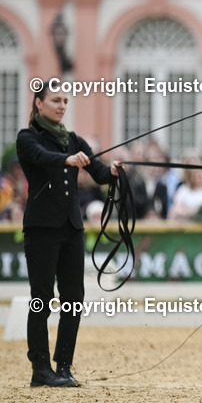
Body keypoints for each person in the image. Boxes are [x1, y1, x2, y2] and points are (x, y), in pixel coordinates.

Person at [16, 84, 121, 387]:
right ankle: (40, 368)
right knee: (42, 298)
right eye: (56, 100)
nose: (62, 105)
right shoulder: (28, 137)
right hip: (41, 230)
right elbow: (39, 156)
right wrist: (66, 160)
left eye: (65, 101)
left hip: (71, 229)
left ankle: (63, 366)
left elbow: (98, 172)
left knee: (74, 298)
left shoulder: (74, 140)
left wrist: (112, 171)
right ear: (38, 103)